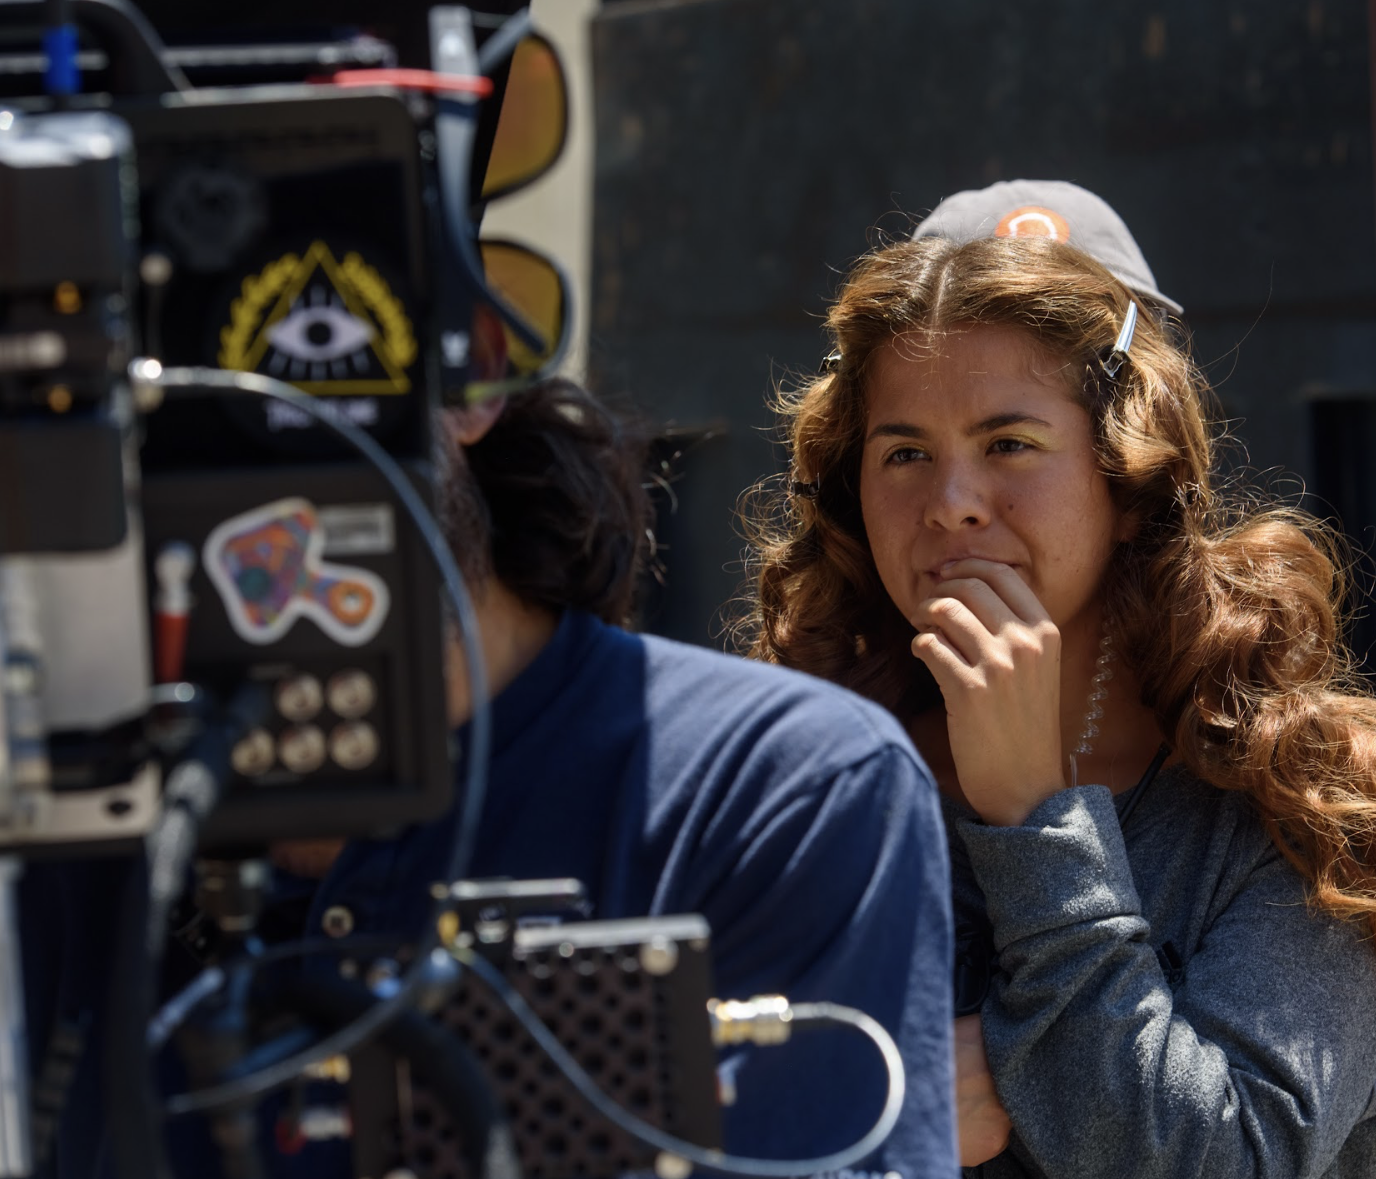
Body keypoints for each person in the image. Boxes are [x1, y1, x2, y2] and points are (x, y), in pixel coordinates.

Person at [738, 180, 1376, 1178]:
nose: (952, 502)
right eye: (904, 452)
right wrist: (904, 1108)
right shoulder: (796, 769)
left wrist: (1035, 820)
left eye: (1009, 442)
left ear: (1134, 476)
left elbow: (1217, 1163)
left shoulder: (1293, 785)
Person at [22, 377, 958, 1179]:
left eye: (318, 376)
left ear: (475, 369)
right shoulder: (57, 834)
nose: (239, 449)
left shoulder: (781, 794)